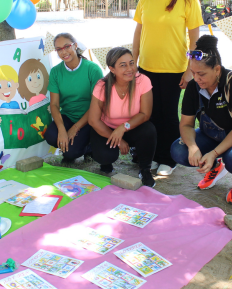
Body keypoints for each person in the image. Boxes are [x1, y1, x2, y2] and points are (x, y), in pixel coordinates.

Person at [132, 0, 204, 176]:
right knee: (149, 114)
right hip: (146, 67)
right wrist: (133, 63)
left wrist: (190, 69)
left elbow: (195, 40)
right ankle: (152, 155)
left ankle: (168, 159)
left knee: (169, 114)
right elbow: (138, 31)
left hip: (174, 69)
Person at [170, 35, 232, 204]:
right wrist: (192, 147)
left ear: (217, 70)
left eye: (201, 74)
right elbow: (186, 124)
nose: (196, 79)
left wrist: (213, 153)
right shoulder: (193, 86)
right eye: (193, 73)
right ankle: (214, 166)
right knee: (178, 150)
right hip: (213, 135)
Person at [88, 47, 156, 187]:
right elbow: (93, 120)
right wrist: (118, 140)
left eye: (131, 63)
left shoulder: (142, 81)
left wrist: (123, 128)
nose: (130, 68)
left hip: (131, 127)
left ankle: (145, 170)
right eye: (123, 65)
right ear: (112, 69)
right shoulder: (102, 86)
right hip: (106, 130)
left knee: (149, 130)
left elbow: (145, 114)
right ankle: (105, 163)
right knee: (105, 156)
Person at [44, 33, 103, 163]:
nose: (63, 52)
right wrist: (62, 130)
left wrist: (75, 128)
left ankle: (88, 147)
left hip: (90, 118)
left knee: (71, 153)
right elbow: (54, 105)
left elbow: (97, 105)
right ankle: (74, 146)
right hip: (68, 116)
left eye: (67, 46)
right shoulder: (55, 72)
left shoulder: (92, 69)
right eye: (59, 49)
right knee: (50, 135)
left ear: (75, 46)